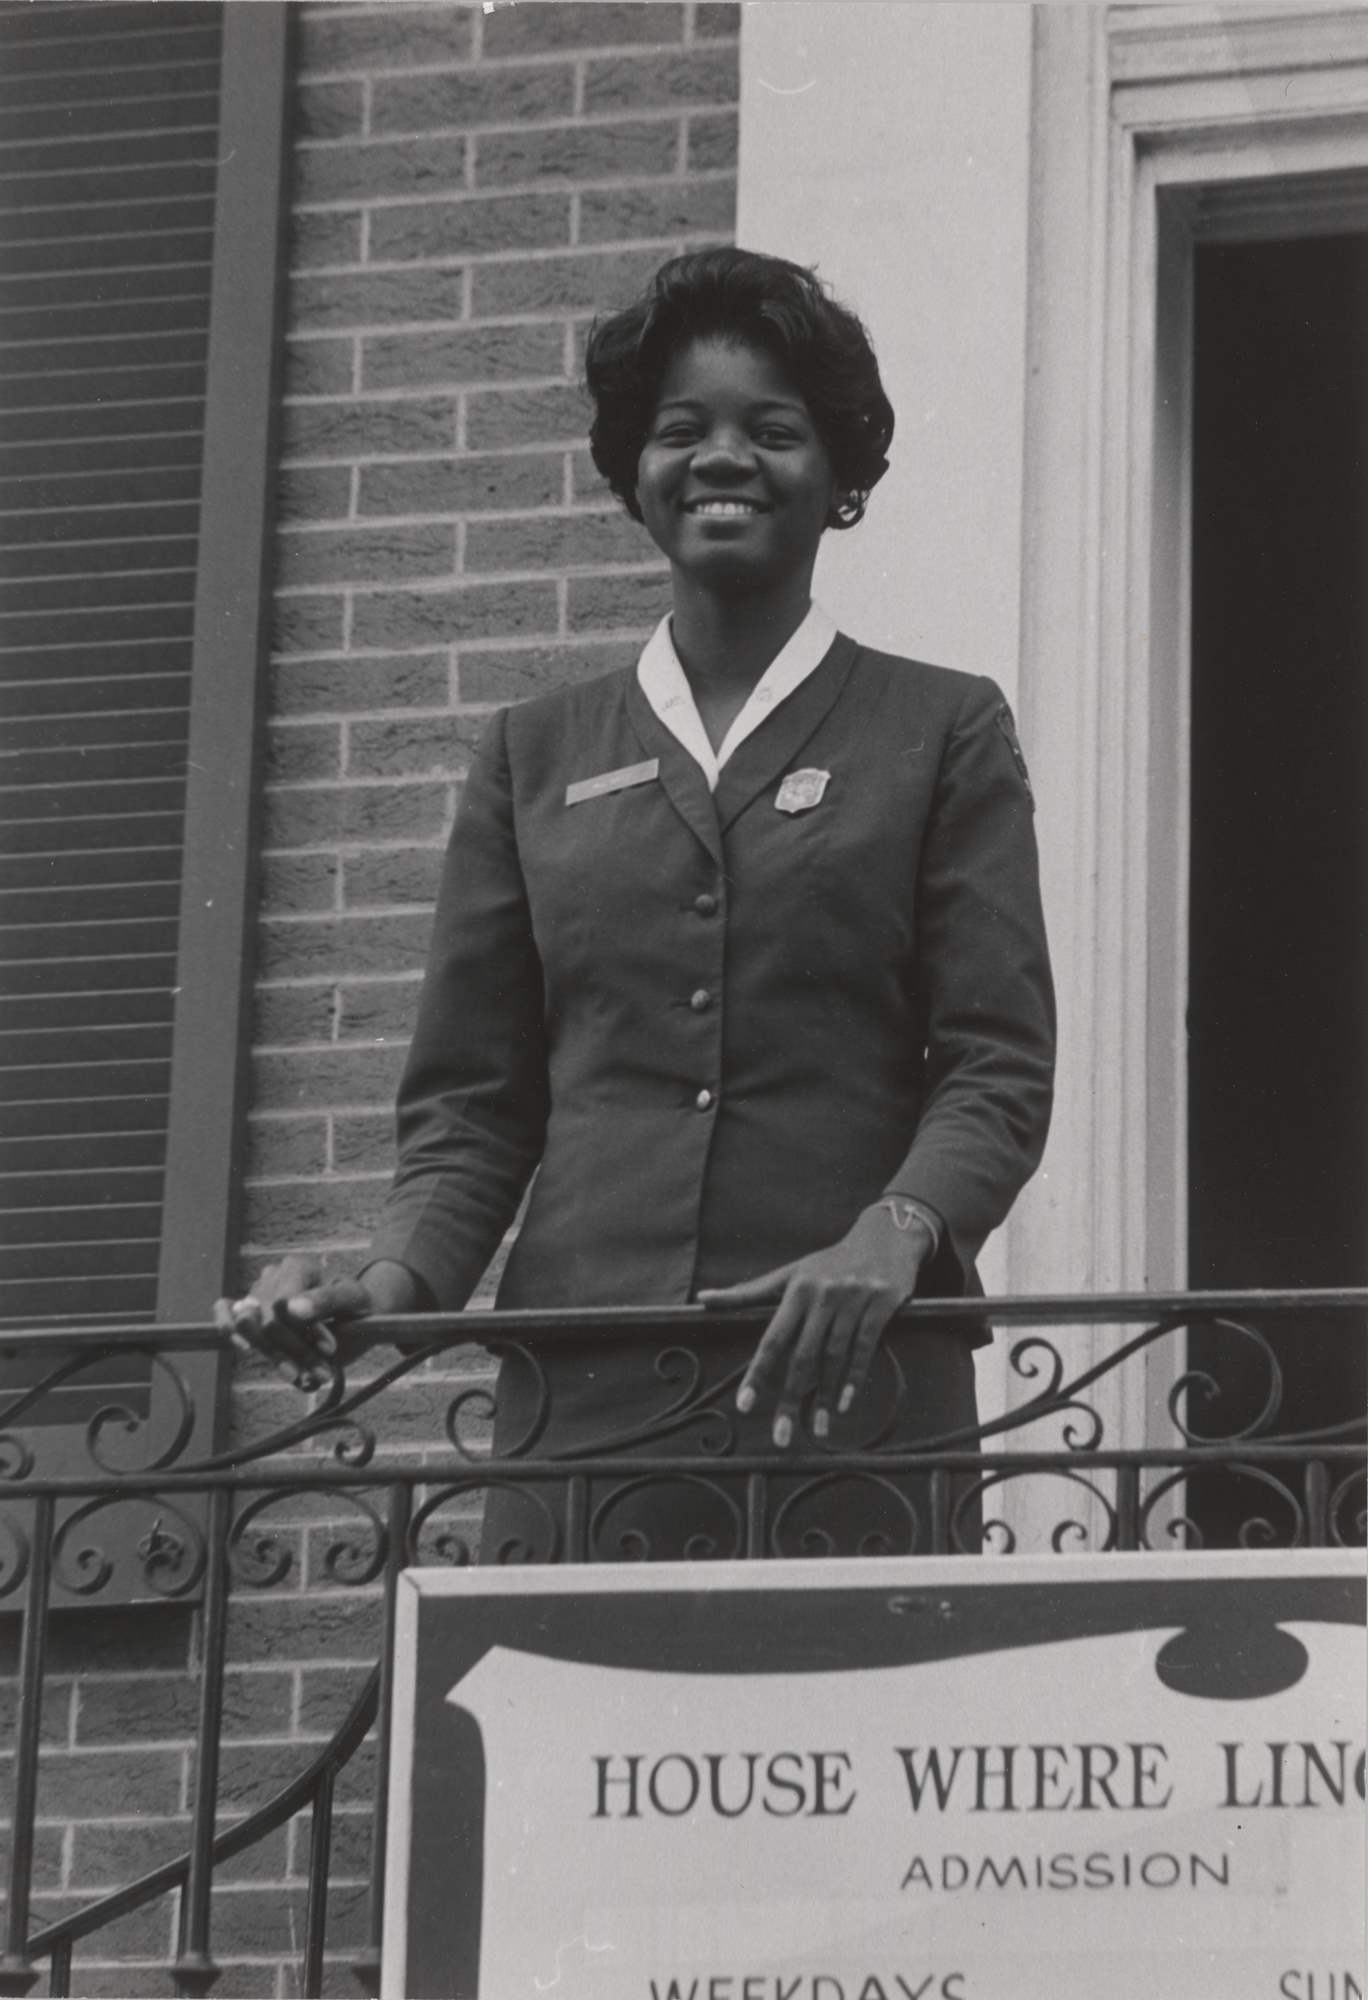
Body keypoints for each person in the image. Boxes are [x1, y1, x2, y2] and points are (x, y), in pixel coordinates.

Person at [221, 247, 1055, 1561]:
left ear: (839, 478)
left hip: (856, 1401)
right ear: (636, 475)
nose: (725, 457)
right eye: (684, 429)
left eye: (773, 430)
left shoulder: (939, 728)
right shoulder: (532, 755)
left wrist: (897, 1236)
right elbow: (475, 1111)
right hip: (583, 1409)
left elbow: (998, 1068)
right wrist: (386, 1280)